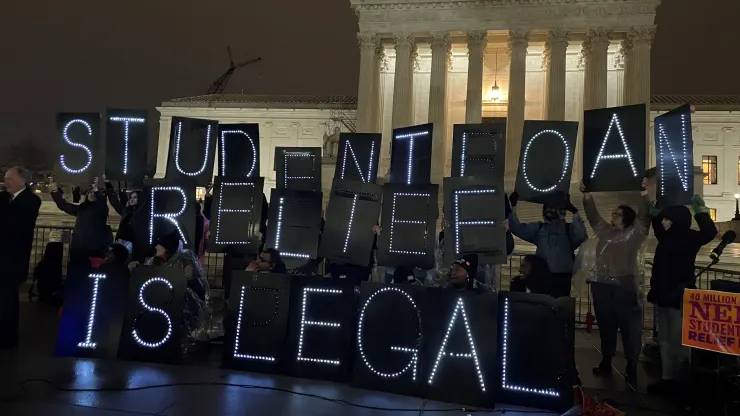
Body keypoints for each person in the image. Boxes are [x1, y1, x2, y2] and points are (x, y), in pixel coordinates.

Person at [580, 180, 651, 384]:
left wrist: (645, 195)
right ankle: (606, 359)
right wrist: (587, 197)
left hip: (625, 284)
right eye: (613, 213)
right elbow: (593, 217)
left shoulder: (635, 235)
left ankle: (631, 364)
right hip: (602, 284)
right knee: (606, 325)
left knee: (630, 326)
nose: (613, 216)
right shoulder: (605, 232)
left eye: (618, 214)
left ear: (627, 218)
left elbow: (645, 218)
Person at [647, 195, 717, 396]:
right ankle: (667, 378)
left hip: (679, 295)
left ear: (677, 220)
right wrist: (655, 215)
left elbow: (710, 231)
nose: (664, 222)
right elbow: (657, 224)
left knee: (679, 340)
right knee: (665, 340)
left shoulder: (690, 237)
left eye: (667, 219)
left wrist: (701, 212)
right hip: (662, 294)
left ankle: (681, 380)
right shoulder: (666, 236)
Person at [131, 231, 210, 350]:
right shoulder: (155, 259)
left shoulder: (186, 258)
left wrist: (189, 279)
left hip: (179, 301)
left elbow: (198, 288)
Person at [507, 191, 588, 298]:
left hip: (562, 278)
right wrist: (512, 206)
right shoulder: (540, 228)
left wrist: (575, 212)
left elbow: (581, 236)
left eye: (553, 207)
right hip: (541, 276)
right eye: (547, 207)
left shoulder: (568, 229)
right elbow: (518, 229)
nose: (549, 210)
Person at [0, 166, 41, 349]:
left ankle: (8, 337)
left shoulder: (31, 200)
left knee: (8, 298)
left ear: (22, 180)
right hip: (5, 256)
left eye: (9, 178)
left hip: (13, 259)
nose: (5, 181)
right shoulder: (6, 198)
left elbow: (13, 222)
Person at [50, 177, 113, 281]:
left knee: (92, 276)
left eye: (94, 193)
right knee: (77, 276)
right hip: (78, 249)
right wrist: (55, 190)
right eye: (90, 192)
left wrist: (96, 189)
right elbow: (63, 205)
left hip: (95, 249)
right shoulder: (81, 209)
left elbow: (102, 203)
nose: (92, 194)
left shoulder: (101, 209)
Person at [103, 176, 146, 263]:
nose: (132, 199)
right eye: (131, 197)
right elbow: (114, 202)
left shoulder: (142, 214)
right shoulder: (126, 211)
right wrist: (108, 185)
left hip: (135, 250)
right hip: (122, 248)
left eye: (135, 197)